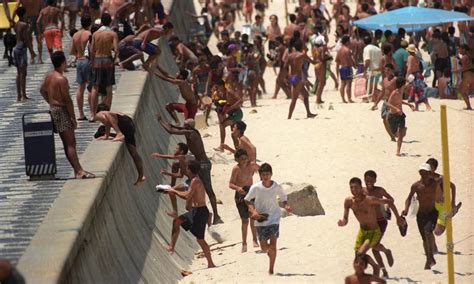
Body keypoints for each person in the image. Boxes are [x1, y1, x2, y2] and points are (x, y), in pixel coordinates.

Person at [157, 115, 223, 224]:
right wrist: (171, 124)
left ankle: (216, 216)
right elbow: (177, 128)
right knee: (178, 167)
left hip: (203, 165)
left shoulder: (190, 133)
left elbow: (170, 131)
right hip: (199, 163)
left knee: (209, 190)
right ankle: (205, 213)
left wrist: (161, 121)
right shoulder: (192, 130)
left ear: (187, 127)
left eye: (185, 125)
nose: (183, 127)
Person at [40, 51, 95, 179]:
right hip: (61, 110)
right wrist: (73, 117)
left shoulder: (49, 76)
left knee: (67, 142)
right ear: (63, 63)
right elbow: (67, 100)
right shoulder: (61, 79)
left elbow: (42, 90)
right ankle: (79, 171)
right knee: (70, 142)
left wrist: (50, 101)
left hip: (54, 108)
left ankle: (77, 170)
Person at [338, 177, 395, 277]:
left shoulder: (370, 200)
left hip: (374, 231)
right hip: (362, 231)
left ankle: (381, 259)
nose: (354, 190)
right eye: (351, 188)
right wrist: (343, 222)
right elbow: (345, 219)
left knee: (361, 253)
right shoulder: (348, 202)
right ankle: (378, 265)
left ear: (361, 188)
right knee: (357, 257)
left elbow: (389, 201)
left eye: (356, 187)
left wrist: (395, 215)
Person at [164, 159, 216, 268]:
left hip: (200, 212)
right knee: (177, 221)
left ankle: (210, 263)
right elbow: (184, 190)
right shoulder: (193, 180)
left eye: (187, 168)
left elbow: (187, 195)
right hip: (195, 211)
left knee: (200, 239)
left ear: (189, 170)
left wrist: (173, 191)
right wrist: (172, 189)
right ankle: (171, 247)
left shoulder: (195, 181)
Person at [244, 163, 292, 275]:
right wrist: (253, 211)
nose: (266, 176)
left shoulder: (276, 186)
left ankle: (271, 268)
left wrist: (286, 205)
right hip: (260, 219)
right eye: (264, 174)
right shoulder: (256, 187)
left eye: (268, 174)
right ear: (260, 175)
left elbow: (284, 197)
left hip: (274, 218)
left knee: (274, 244)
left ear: (271, 174)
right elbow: (247, 200)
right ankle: (270, 252)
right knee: (264, 247)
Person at [363, 170, 405, 278]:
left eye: (372, 180)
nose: (369, 182)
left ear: (375, 180)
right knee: (374, 249)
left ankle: (387, 252)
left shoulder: (380, 190)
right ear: (364, 180)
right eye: (367, 180)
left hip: (381, 221)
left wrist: (397, 217)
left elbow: (391, 200)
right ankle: (384, 271)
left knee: (374, 245)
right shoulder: (362, 192)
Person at [94, 103, 145, 186]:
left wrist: (117, 132)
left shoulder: (100, 114)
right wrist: (107, 135)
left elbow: (107, 119)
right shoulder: (113, 114)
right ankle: (141, 175)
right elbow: (107, 122)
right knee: (133, 153)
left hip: (124, 124)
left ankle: (119, 134)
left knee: (133, 152)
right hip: (128, 123)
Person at [401, 163, 439, 270]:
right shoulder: (416, 186)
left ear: (430, 173)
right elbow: (409, 198)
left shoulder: (435, 183)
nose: (423, 175)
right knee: (424, 238)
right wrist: (406, 209)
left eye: (426, 172)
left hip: (432, 213)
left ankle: (430, 257)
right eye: (421, 172)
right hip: (420, 214)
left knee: (428, 231)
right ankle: (429, 259)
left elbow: (449, 183)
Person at [229, 149, 260, 252]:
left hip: (251, 191)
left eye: (245, 158)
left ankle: (255, 240)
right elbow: (230, 184)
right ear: (237, 159)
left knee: (253, 217)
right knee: (244, 220)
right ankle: (244, 242)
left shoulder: (251, 165)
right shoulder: (236, 169)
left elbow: (262, 170)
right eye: (242, 159)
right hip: (240, 194)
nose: (244, 160)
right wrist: (238, 188)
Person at [89, 12, 119, 119]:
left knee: (95, 87)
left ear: (101, 21)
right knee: (108, 87)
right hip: (107, 60)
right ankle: (107, 113)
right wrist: (115, 59)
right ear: (110, 22)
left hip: (97, 60)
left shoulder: (95, 34)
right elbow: (116, 50)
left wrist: (92, 63)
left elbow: (92, 50)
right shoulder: (112, 34)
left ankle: (93, 114)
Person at [426, 158, 462, 236]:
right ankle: (452, 212)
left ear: (434, 169)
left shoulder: (440, 178)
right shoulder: (425, 178)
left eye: (430, 168)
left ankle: (451, 213)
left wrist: (452, 203)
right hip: (433, 205)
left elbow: (453, 186)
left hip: (443, 205)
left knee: (437, 232)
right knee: (427, 229)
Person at [286, 39, 317, 119]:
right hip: (298, 78)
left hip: (292, 77)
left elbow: (285, 66)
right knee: (294, 99)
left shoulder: (290, 55)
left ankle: (308, 113)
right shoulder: (302, 55)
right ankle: (289, 117)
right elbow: (313, 62)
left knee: (305, 95)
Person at [70, 15, 92, 121]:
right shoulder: (89, 34)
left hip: (79, 61)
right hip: (87, 61)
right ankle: (92, 113)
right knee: (90, 87)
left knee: (80, 88)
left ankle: (81, 114)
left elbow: (72, 51)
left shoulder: (75, 35)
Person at [386, 77, 415, 156]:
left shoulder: (401, 92)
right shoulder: (395, 92)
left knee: (400, 135)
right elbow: (388, 103)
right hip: (393, 115)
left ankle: (398, 151)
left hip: (401, 115)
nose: (407, 84)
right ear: (402, 85)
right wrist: (396, 109)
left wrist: (408, 104)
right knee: (396, 134)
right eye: (405, 83)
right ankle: (401, 132)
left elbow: (399, 101)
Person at [372, 63, 397, 141]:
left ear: (392, 70)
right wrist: (375, 103)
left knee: (388, 119)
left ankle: (396, 133)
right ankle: (392, 137)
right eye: (385, 70)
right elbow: (382, 92)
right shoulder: (384, 80)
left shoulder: (395, 80)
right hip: (385, 102)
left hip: (393, 102)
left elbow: (400, 91)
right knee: (384, 120)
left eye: (388, 70)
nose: (386, 72)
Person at [12, 6, 33, 102]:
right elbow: (26, 39)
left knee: (18, 73)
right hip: (22, 48)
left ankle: (19, 95)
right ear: (24, 14)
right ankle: (23, 95)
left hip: (16, 48)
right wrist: (32, 51)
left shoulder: (16, 24)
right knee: (23, 73)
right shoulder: (24, 25)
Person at [336, 35, 356, 103]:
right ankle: (349, 99)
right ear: (347, 42)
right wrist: (354, 66)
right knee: (348, 84)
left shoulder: (339, 50)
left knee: (343, 84)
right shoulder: (347, 50)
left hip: (342, 67)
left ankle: (343, 99)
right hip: (347, 67)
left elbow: (337, 60)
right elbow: (350, 60)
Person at [454, 44, 473, 110]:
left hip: (468, 75)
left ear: (464, 49)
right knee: (465, 91)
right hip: (470, 74)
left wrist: (456, 71)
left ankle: (469, 106)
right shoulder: (468, 56)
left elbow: (464, 68)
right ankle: (468, 106)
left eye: (460, 49)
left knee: (461, 91)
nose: (459, 50)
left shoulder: (464, 57)